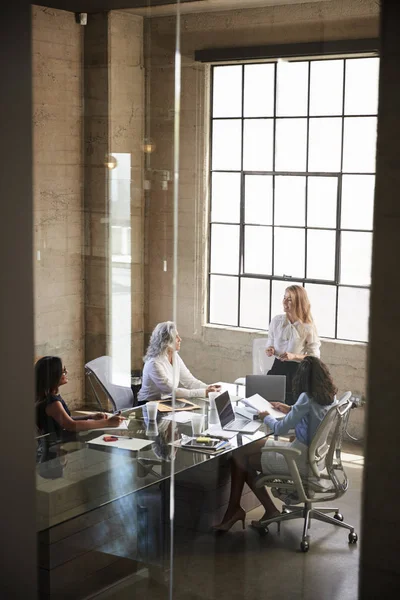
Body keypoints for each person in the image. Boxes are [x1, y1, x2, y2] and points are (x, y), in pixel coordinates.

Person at [213, 356, 337, 532]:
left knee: (240, 458)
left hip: (297, 459)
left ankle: (239, 511)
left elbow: (279, 429)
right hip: (312, 457)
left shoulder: (306, 398)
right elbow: (311, 417)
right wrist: (290, 409)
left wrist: (266, 417)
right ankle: (254, 510)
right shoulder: (330, 397)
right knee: (241, 451)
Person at [35, 356, 125, 439]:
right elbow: (71, 425)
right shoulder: (53, 403)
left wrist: (90, 416)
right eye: (63, 371)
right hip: (55, 449)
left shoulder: (48, 397)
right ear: (53, 376)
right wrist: (108, 423)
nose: (66, 373)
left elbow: (65, 419)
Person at [138, 321, 220, 402]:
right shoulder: (154, 363)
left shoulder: (175, 356)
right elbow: (172, 392)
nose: (180, 339)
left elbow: (189, 381)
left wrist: (208, 388)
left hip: (167, 402)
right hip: (148, 405)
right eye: (176, 337)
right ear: (167, 341)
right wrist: (204, 392)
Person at [266, 285, 320, 405]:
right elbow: (270, 341)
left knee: (289, 408)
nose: (284, 302)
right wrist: (270, 349)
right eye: (284, 297)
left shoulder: (308, 327)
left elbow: (314, 357)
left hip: (296, 372)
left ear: (299, 302)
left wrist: (294, 356)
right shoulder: (276, 321)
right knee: (268, 404)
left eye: (289, 299)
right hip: (277, 368)